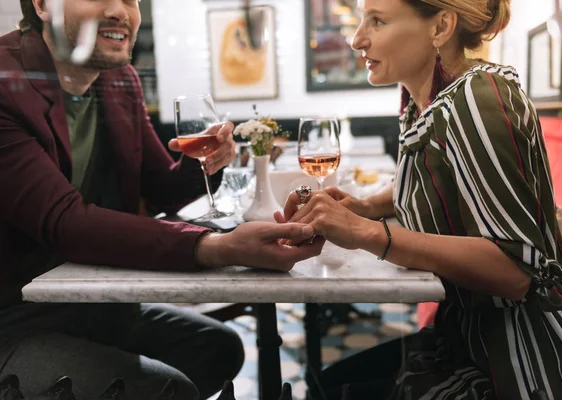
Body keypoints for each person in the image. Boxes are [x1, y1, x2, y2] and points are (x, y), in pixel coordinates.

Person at [0, 0, 324, 399]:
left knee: (216, 350)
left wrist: (207, 163)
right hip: (13, 317)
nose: (122, 12)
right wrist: (215, 247)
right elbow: (63, 220)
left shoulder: (119, 80)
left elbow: (163, 188)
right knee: (171, 389)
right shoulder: (4, 80)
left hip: (91, 305)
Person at [277, 0, 562, 398]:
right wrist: (367, 206)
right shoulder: (424, 102)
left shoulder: (479, 100)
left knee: (325, 389)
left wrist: (366, 232)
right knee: (322, 382)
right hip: (465, 337)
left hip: (527, 361)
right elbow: (436, 178)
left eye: (377, 21)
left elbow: (515, 272)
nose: (357, 39)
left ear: (441, 27)